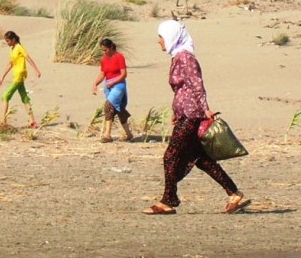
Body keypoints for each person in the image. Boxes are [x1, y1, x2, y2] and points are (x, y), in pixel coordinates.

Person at [144, 20, 249, 215]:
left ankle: (169, 200)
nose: (159, 41)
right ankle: (234, 193)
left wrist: (205, 108)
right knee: (201, 159)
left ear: (172, 36)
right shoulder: (177, 57)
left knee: (170, 156)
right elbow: (181, 90)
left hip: (192, 115)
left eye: (161, 37)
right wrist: (177, 111)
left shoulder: (186, 58)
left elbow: (196, 84)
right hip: (186, 113)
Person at [91, 38, 134, 142]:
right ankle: (128, 134)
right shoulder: (104, 59)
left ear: (111, 47)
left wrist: (113, 82)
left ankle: (107, 134)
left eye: (105, 50)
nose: (104, 52)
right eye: (102, 50)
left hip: (119, 84)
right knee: (118, 109)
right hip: (108, 85)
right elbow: (103, 73)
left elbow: (124, 74)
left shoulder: (119, 57)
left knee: (108, 105)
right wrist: (95, 83)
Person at [0, 30, 41, 127]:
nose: (7, 43)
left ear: (13, 39)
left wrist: (36, 70)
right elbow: (11, 63)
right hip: (16, 75)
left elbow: (28, 58)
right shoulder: (12, 48)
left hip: (19, 75)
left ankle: (3, 122)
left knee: (5, 96)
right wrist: (2, 77)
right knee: (24, 97)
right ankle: (32, 121)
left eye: (8, 41)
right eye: (6, 41)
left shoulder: (19, 47)